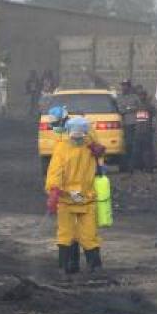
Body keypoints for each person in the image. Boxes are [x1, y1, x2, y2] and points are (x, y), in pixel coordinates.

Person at [45, 116, 106, 275]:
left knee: (89, 235)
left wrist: (97, 148)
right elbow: (55, 172)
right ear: (68, 133)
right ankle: (64, 268)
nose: (77, 140)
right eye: (75, 137)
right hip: (66, 200)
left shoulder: (91, 147)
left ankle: (95, 267)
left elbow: (98, 150)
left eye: (81, 137)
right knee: (66, 234)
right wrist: (53, 190)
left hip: (87, 198)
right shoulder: (61, 148)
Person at [132, 87, 157, 172]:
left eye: (143, 95)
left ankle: (148, 167)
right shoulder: (136, 105)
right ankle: (139, 167)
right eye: (140, 95)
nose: (141, 97)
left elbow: (156, 115)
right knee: (138, 150)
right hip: (138, 131)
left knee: (147, 150)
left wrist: (154, 126)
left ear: (145, 96)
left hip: (147, 131)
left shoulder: (149, 106)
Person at [117, 79, 139, 173]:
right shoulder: (119, 97)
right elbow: (120, 110)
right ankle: (127, 166)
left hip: (135, 123)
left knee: (134, 145)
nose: (124, 87)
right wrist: (130, 109)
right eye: (123, 85)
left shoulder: (134, 97)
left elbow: (139, 107)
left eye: (126, 85)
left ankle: (134, 166)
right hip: (125, 124)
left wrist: (128, 109)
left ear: (129, 87)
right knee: (127, 146)